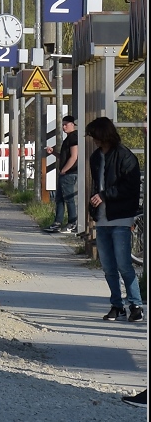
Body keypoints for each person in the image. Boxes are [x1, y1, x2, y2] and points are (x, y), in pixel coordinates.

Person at [84, 116, 144, 323]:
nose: (93, 140)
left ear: (104, 134)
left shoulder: (125, 157)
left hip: (121, 217)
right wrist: (93, 209)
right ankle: (117, 305)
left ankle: (135, 304)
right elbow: (95, 185)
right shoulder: (95, 157)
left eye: (95, 135)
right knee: (108, 267)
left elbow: (130, 186)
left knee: (124, 264)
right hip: (102, 219)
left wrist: (104, 195)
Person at [43, 115, 79, 233]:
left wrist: (64, 170)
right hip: (65, 173)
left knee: (68, 199)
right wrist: (53, 153)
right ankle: (57, 223)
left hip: (69, 173)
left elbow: (74, 157)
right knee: (59, 199)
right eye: (63, 124)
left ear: (72, 124)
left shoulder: (74, 138)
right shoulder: (68, 139)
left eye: (66, 124)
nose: (64, 127)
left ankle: (72, 223)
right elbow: (65, 157)